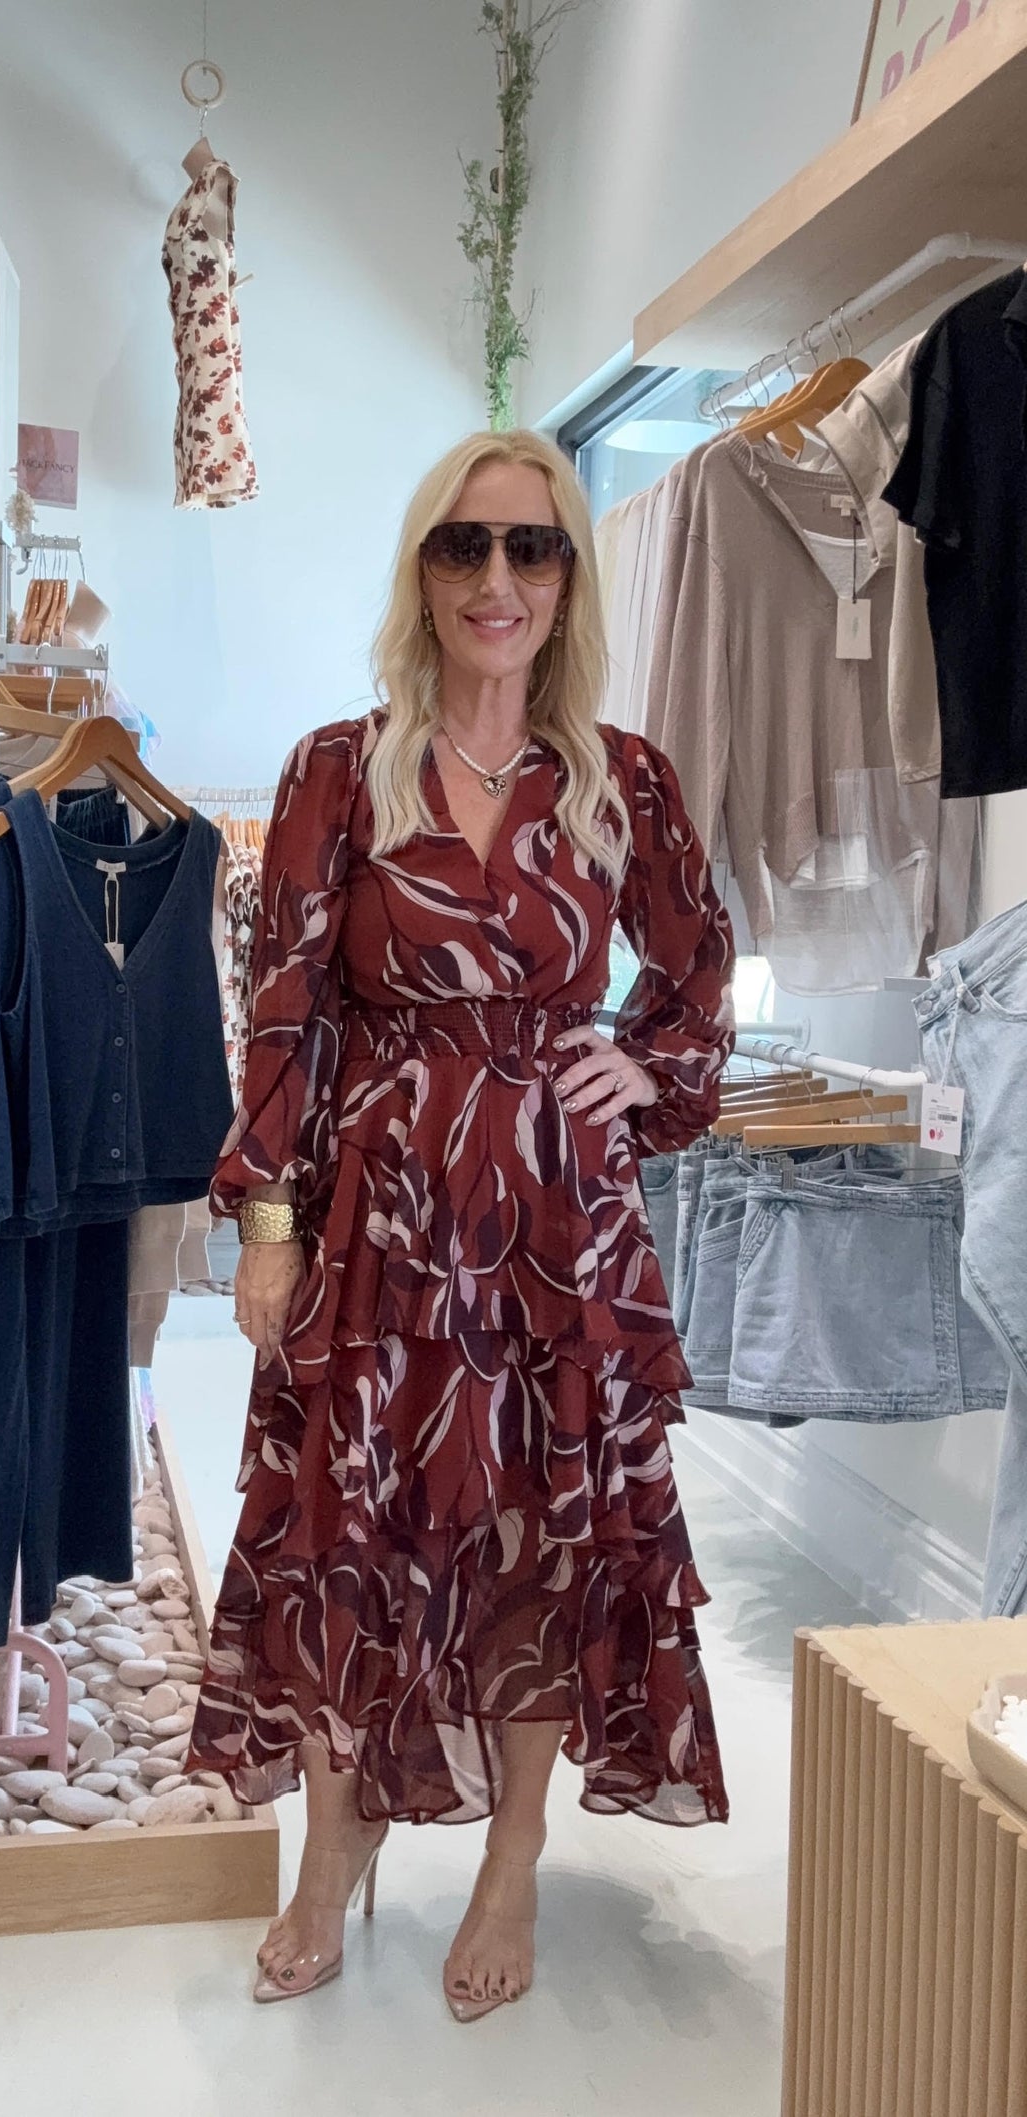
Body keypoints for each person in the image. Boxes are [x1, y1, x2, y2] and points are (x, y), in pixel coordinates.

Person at [186, 427, 735, 2019]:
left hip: (563, 1236)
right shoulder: (334, 768)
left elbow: (699, 969)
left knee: (543, 1540)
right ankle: (335, 1850)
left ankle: (511, 1860)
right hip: (383, 1227)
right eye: (465, 547)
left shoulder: (627, 779)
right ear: (423, 573)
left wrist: (647, 1064)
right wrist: (270, 1220)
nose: (498, 579)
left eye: (532, 548)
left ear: (568, 581)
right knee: (350, 1535)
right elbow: (281, 1009)